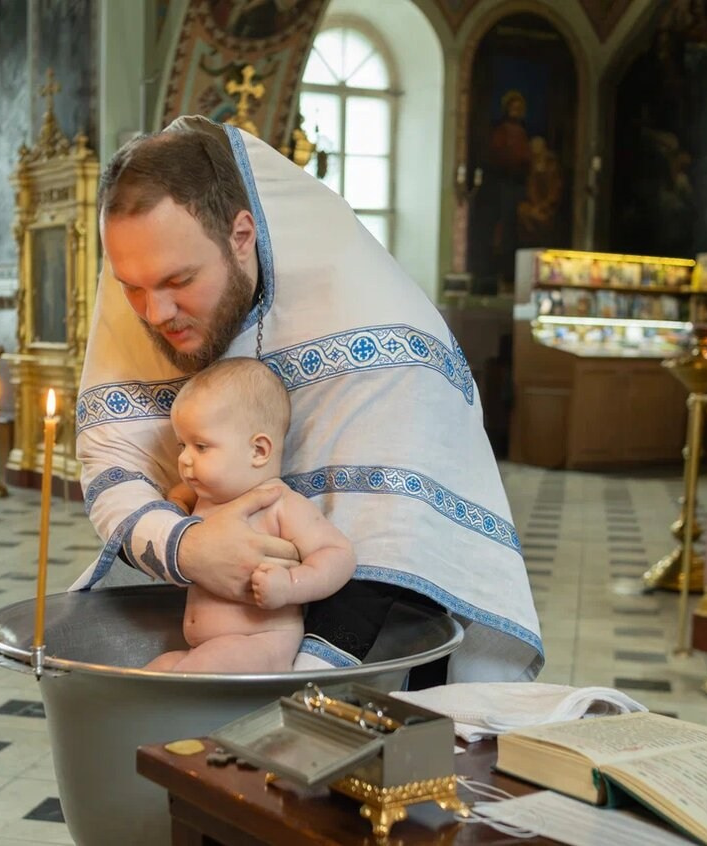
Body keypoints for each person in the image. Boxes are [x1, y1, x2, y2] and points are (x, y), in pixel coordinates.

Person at [73, 115, 543, 685]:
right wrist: (189, 547)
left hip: (375, 648)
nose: (154, 314)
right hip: (211, 642)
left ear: (240, 236)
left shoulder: (384, 333)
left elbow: (389, 537)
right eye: (132, 287)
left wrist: (298, 688)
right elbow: (114, 470)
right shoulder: (148, 289)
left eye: (178, 282)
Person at [144, 357, 355, 673]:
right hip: (201, 647)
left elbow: (339, 555)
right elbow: (176, 497)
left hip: (259, 644)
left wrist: (290, 585)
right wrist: (175, 510)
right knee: (156, 671)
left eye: (200, 447)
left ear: (258, 451)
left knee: (197, 671)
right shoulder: (201, 494)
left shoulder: (278, 503)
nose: (185, 460)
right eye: (181, 445)